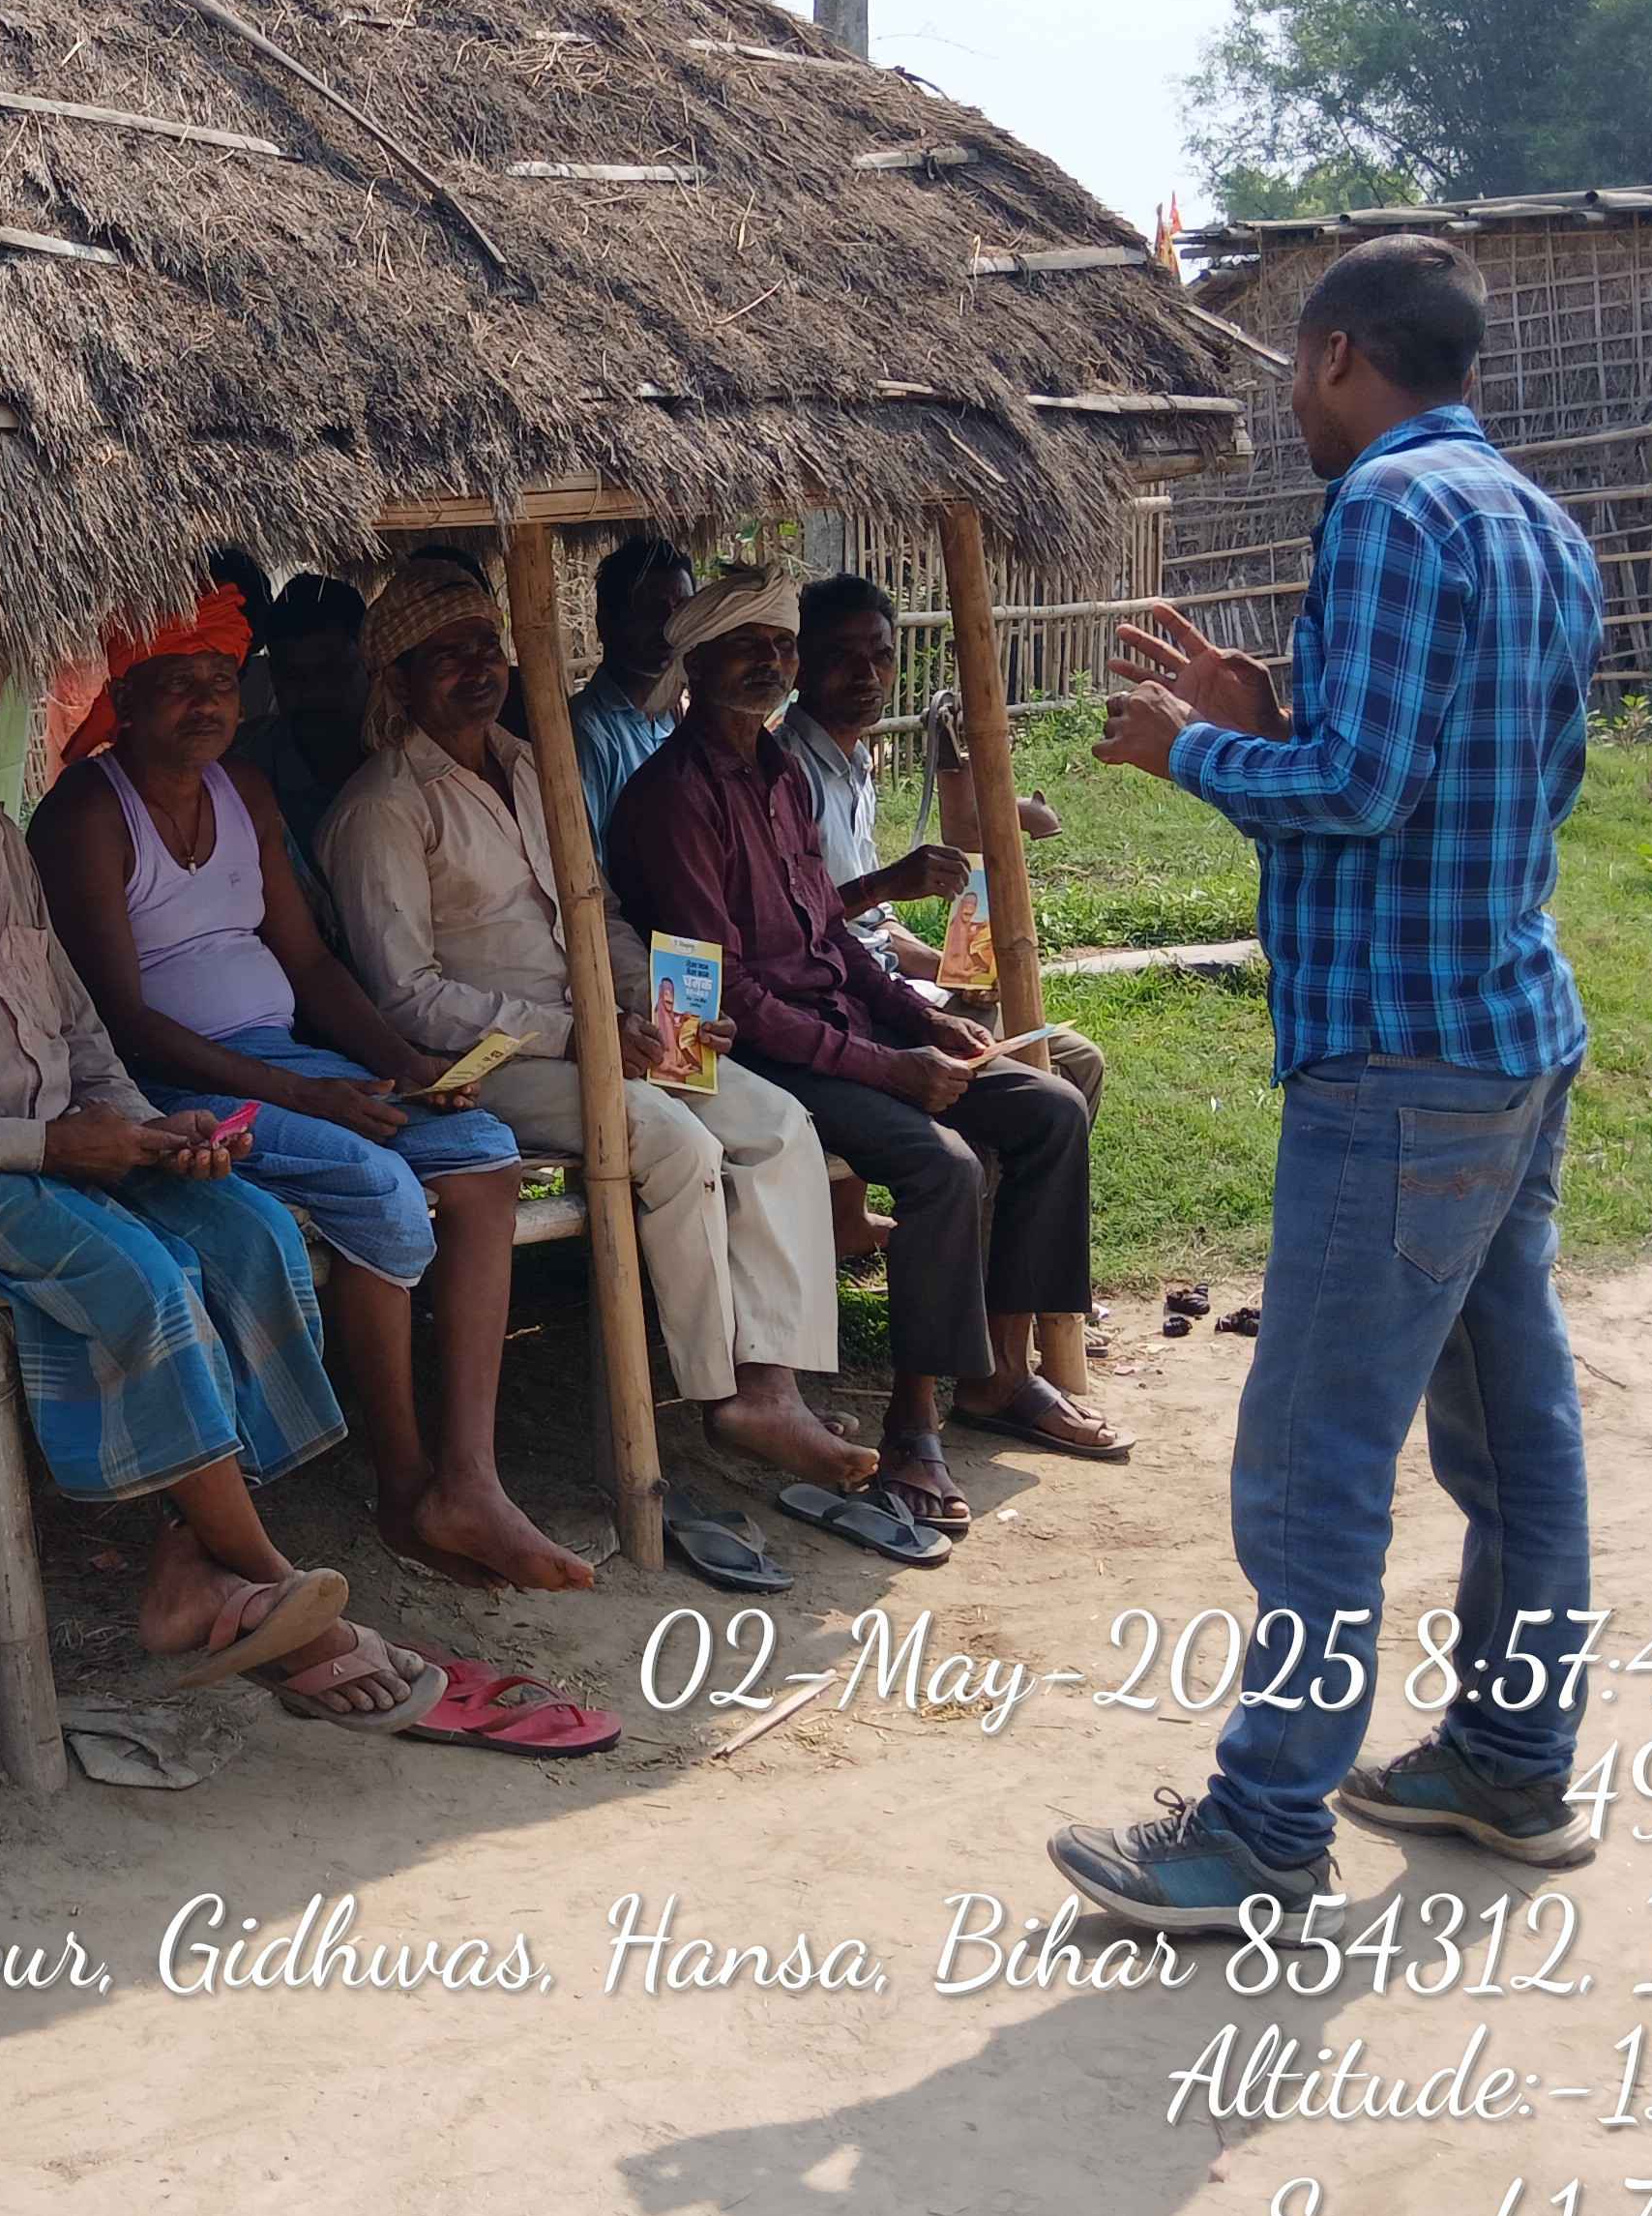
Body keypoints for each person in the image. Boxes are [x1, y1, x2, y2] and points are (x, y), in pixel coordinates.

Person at [1051, 235, 1603, 1940]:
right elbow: (1489, 775)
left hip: (1396, 1060)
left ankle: (1267, 1826)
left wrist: (1193, 749)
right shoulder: (1540, 524)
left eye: (1295, 366)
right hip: (1509, 1033)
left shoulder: (1384, 510)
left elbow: (1361, 793)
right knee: (1516, 1433)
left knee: (1313, 1453)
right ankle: (1511, 1758)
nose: (1292, 397)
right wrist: (1270, 713)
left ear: (1342, 354)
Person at [0, 571, 434, 1727]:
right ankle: (272, 1586)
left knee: (251, 1229)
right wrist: (46, 1145)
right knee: (142, 1277)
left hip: (57, 1137)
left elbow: (74, 1021)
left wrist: (145, 1125)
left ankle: (189, 1561)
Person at [32, 586, 582, 1591]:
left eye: (221, 681)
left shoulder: (244, 790)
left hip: (285, 1059)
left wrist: (405, 1065)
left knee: (483, 1155)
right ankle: (401, 1484)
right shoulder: (87, 811)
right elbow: (120, 1020)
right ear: (128, 695)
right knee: (376, 1181)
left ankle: (469, 1478)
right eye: (179, 683)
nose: (207, 702)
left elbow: (312, 964)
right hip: (164, 1085)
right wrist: (305, 1099)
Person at [320, 556, 864, 1487]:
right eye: (445, 655)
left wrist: (658, 1005)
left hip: (607, 1027)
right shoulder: (382, 807)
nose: (477, 668)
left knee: (779, 1124)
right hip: (491, 1061)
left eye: (485, 646)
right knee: (672, 1140)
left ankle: (773, 1387)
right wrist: (576, 1035)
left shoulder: (534, 768)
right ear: (398, 681)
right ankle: (716, 1393)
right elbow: (405, 996)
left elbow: (596, 912)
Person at [612, 565, 1128, 1540]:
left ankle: (1000, 1376)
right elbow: (724, 993)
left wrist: (921, 1021)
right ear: (698, 662)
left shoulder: (778, 774)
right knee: (943, 1166)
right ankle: (912, 1426)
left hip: (840, 1023)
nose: (771, 662)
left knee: (1051, 1109)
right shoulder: (672, 798)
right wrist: (889, 1066)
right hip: (767, 1051)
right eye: (748, 645)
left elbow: (831, 940)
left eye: (780, 645)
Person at [778, 571, 1106, 1116]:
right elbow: (791, 929)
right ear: (800, 665)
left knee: (1079, 1060)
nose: (867, 675)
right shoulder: (784, 772)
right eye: (842, 656)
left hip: (890, 987)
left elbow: (874, 926)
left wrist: (950, 970)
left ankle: (1000, 1170)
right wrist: (887, 884)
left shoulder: (854, 766)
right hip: (841, 1005)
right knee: (1049, 1097)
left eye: (881, 656)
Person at [228, 572, 367, 926]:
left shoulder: (414, 759)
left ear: (371, 663)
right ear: (273, 676)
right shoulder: (244, 774)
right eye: (294, 676)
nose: (315, 691)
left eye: (332, 671)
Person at [570, 532, 693, 863]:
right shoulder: (587, 732)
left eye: (681, 609)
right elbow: (587, 865)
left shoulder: (680, 719)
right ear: (606, 624)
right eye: (650, 610)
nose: (669, 627)